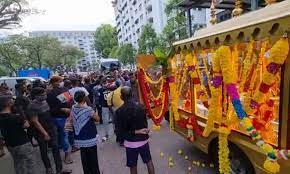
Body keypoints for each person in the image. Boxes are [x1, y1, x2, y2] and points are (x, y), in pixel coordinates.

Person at [27, 87, 71, 174]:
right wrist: (45, 133)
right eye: (42, 95)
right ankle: (48, 168)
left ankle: (59, 169)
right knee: (44, 150)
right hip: (40, 132)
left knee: (56, 148)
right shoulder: (32, 106)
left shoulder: (45, 102)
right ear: (36, 96)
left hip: (51, 128)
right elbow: (35, 122)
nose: (45, 96)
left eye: (45, 94)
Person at [115, 87, 155, 174]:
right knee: (148, 161)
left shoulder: (119, 111)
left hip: (130, 143)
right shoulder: (140, 106)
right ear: (132, 95)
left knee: (133, 166)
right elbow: (145, 123)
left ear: (121, 97)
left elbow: (120, 132)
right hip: (143, 140)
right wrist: (139, 131)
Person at [0, 95, 36, 174]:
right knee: (30, 163)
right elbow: (26, 125)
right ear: (8, 103)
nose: (13, 101)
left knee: (18, 163)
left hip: (10, 144)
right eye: (11, 100)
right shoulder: (15, 117)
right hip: (22, 143)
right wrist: (22, 114)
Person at [70, 90, 101, 174]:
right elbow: (97, 119)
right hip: (89, 137)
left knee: (84, 157)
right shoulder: (87, 109)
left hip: (80, 137)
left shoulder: (73, 107)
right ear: (84, 98)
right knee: (93, 157)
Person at [47, 76, 72, 164]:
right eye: (58, 81)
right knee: (62, 135)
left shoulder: (63, 90)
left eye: (60, 81)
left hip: (63, 116)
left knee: (64, 134)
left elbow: (68, 103)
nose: (60, 83)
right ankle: (65, 152)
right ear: (53, 82)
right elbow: (52, 107)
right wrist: (63, 109)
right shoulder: (50, 93)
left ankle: (66, 152)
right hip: (58, 117)